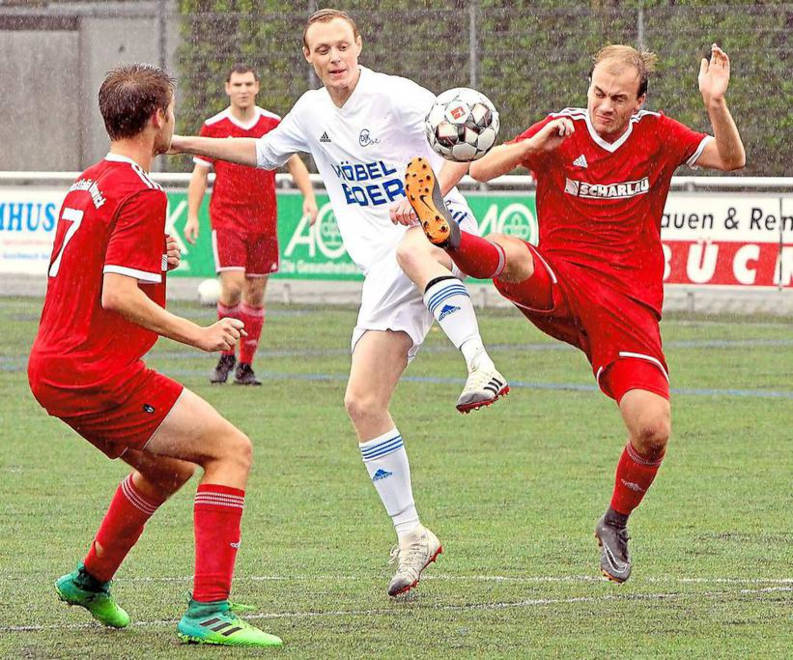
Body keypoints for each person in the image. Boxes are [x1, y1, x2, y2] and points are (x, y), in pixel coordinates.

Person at [170, 8, 509, 597]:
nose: (334, 57)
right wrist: (174, 140)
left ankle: (481, 364)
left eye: (342, 46)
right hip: (381, 267)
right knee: (361, 403)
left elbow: (463, 147)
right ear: (309, 57)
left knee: (412, 252)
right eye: (322, 49)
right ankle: (412, 534)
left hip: (435, 227)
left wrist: (426, 192)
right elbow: (257, 152)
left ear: (359, 45)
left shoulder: (398, 97)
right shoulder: (309, 114)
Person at [404, 44, 745, 583]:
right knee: (513, 253)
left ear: (639, 101)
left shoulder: (659, 135)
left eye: (617, 99)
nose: (604, 107)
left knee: (653, 430)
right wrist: (532, 145)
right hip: (561, 281)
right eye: (597, 93)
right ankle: (447, 234)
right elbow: (484, 168)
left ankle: (615, 521)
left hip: (628, 308)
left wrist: (714, 103)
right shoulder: (561, 130)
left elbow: (731, 159)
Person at [27, 64, 282, 647]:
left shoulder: (88, 180)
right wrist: (199, 333)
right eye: (171, 110)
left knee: (166, 470)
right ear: (159, 118)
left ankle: (91, 580)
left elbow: (93, 267)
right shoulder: (141, 191)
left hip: (57, 366)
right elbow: (115, 295)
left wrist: (153, 256)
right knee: (230, 449)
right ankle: (209, 609)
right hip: (94, 372)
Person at [185, 64, 318, 386]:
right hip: (228, 219)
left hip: (263, 222)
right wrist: (192, 215)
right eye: (237, 84)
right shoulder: (214, 126)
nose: (243, 89)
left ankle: (245, 365)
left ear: (257, 87)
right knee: (232, 287)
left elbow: (294, 162)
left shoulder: (273, 124)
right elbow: (200, 174)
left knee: (256, 295)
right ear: (227, 88)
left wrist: (309, 197)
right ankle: (226, 352)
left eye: (248, 84)